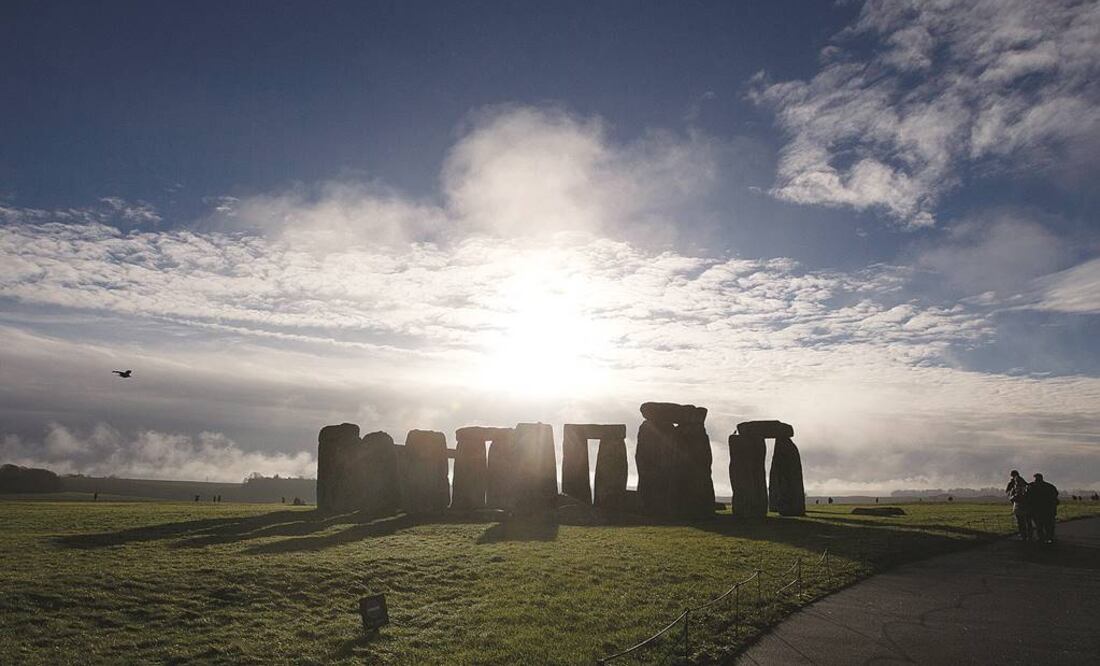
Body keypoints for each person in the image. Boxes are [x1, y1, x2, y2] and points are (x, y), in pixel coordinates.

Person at [1028, 473, 1060, 544]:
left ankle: (1041, 538)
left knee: (1039, 525)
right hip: (1048, 510)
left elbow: (1029, 498)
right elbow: (1055, 495)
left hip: (1038, 510)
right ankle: (1049, 538)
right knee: (1048, 525)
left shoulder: (1033, 487)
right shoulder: (1050, 486)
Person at [1005, 470, 1031, 541]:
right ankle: (1028, 535)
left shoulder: (1013, 484)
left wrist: (1012, 497)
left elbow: (1008, 493)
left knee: (1021, 521)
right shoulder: (1025, 483)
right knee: (1027, 521)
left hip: (1018, 505)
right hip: (1026, 505)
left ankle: (1023, 535)